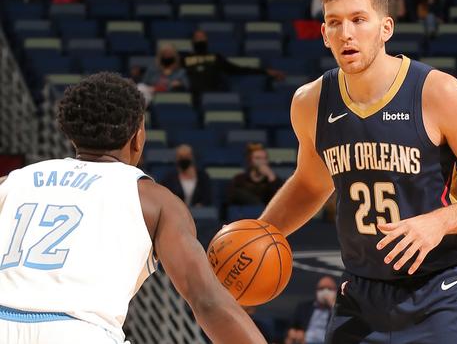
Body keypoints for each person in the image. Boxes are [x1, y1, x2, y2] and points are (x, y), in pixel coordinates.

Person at [257, 0, 457, 342]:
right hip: (360, 293)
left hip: (439, 290)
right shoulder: (310, 102)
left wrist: (437, 223)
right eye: (335, 23)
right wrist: (259, 234)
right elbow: (311, 183)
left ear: (386, 28)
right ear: (323, 33)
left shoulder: (437, 93)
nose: (346, 33)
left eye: (358, 19)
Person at [0, 72, 265, 344]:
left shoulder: (14, 180)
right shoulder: (155, 200)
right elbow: (207, 301)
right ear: (138, 136)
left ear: (72, 135)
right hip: (80, 331)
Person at [183, 29, 285, 98]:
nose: (200, 40)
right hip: (193, 96)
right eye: (198, 38)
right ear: (193, 41)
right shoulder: (185, 58)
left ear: (207, 40)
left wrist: (265, 71)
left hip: (214, 95)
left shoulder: (215, 57)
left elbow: (237, 70)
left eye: (203, 37)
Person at [285, 275, 338, 344]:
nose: (325, 292)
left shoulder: (339, 310)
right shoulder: (304, 307)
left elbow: (343, 328)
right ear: (316, 291)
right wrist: (294, 332)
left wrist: (332, 305)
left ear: (336, 291)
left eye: (329, 289)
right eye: (321, 288)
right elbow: (292, 326)